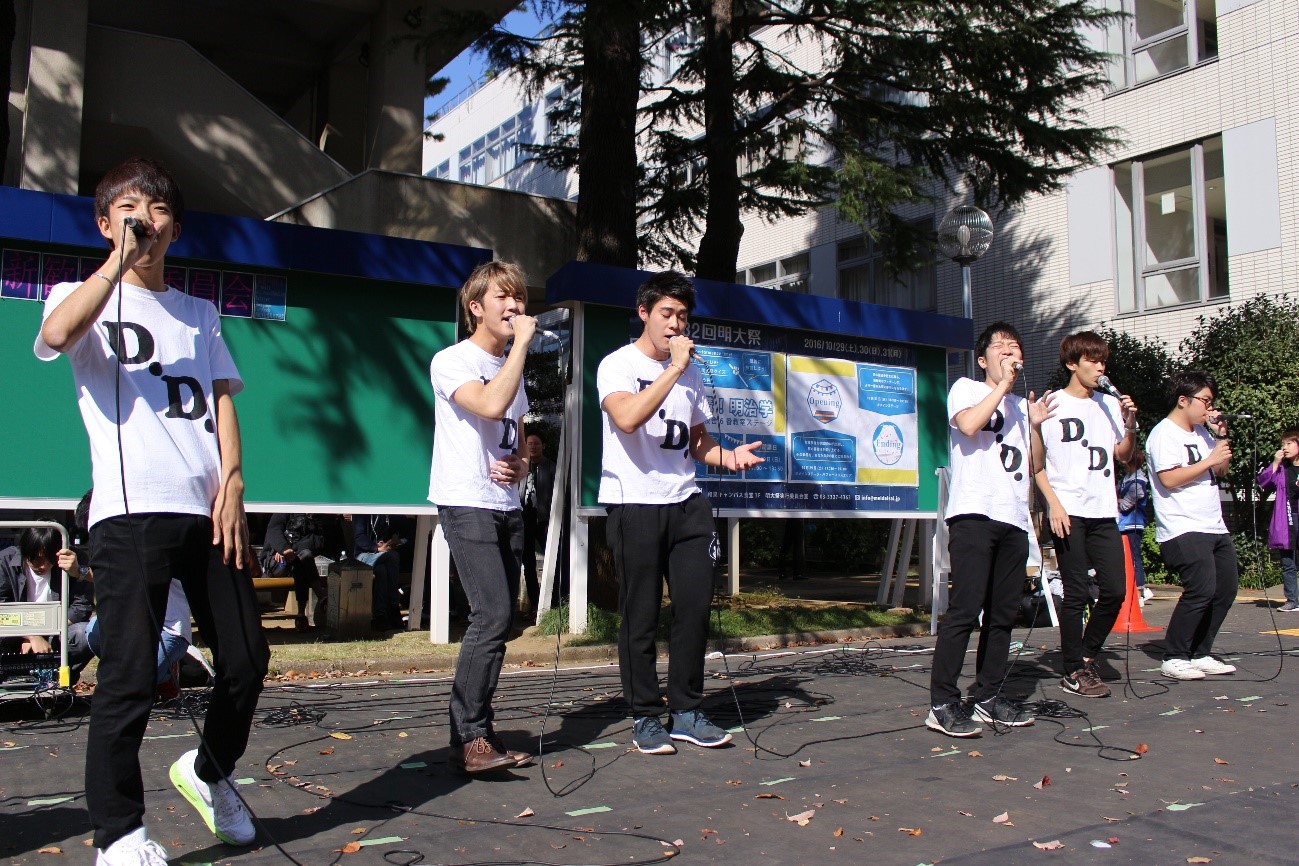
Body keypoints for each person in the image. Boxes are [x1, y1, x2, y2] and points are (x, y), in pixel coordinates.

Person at [34, 157, 269, 865]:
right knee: (131, 672)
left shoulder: (200, 313)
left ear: (176, 228)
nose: (147, 220)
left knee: (246, 658)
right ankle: (118, 834)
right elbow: (56, 337)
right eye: (130, 210)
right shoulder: (79, 295)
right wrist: (118, 263)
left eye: (160, 210)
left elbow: (221, 398)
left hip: (209, 509)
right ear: (105, 223)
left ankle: (208, 773)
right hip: (129, 511)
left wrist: (234, 481)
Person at [598, 271, 764, 755]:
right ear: (644, 313)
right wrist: (672, 369)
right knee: (641, 615)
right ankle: (646, 715)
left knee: (693, 610)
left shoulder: (689, 373)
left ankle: (687, 710)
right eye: (666, 314)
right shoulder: (618, 365)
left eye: (683, 317)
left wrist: (728, 457)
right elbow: (627, 418)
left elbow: (696, 441)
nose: (675, 325)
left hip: (686, 502)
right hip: (635, 502)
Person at [429, 260, 537, 773]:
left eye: (520, 297)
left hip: (506, 503)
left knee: (503, 619)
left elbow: (517, 436)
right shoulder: (452, 360)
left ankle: (479, 734)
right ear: (476, 307)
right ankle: (470, 736)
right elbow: (490, 405)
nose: (515, 306)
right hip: (466, 500)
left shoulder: (513, 366)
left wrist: (523, 464)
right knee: (490, 613)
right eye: (503, 297)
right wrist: (521, 346)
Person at [927, 322, 1055, 738]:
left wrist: (1034, 425)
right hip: (974, 514)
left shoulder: (1021, 405)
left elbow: (1034, 464)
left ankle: (988, 696)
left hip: (1013, 518)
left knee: (1003, 614)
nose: (1009, 351)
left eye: (1014, 346)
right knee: (966, 609)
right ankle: (942, 702)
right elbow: (969, 425)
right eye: (1001, 347)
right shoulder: (966, 388)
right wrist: (1002, 387)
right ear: (983, 360)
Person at [1033, 331, 1138, 698]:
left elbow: (1123, 455)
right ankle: (1073, 669)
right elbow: (1037, 464)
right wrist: (1053, 504)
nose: (1099, 367)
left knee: (1115, 590)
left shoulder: (1108, 404)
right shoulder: (1053, 404)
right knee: (1076, 592)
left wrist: (1130, 423)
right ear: (1071, 364)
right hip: (1068, 510)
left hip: (1103, 509)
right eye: (1092, 360)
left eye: (1103, 360)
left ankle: (1087, 653)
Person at [1146, 371, 1238, 680]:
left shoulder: (1203, 433)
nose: (1210, 408)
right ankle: (1174, 655)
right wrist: (1209, 460)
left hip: (1214, 524)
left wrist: (1221, 437)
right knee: (1200, 589)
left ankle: (1200, 651)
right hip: (1183, 525)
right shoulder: (1164, 433)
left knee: (1225, 589)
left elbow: (1220, 470)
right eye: (1205, 401)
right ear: (1183, 400)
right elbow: (1169, 479)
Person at [0, 527, 95, 682]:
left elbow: (81, 608)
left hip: (57, 634)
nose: (43, 566)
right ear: (25, 551)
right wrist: (31, 635)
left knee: (86, 632)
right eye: (37, 559)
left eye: (50, 559)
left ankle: (59, 679)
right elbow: (2, 609)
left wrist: (77, 571)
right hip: (13, 635)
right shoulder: (4, 561)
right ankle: (10, 678)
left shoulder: (74, 560)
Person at [1256, 429, 1299, 612]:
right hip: (1286, 519)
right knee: (1288, 563)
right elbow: (1263, 482)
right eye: (1283, 444)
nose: (1285, 447)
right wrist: (1275, 462)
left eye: (1289, 443)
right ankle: (1292, 600)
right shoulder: (1282, 469)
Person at [263, 513, 325, 631]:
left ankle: (301, 616)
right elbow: (274, 531)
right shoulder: (284, 509)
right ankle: (320, 598)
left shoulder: (315, 517)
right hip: (278, 563)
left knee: (304, 558)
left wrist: (292, 551)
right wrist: (283, 549)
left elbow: (316, 542)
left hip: (299, 562)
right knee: (304, 559)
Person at [349, 513, 406, 631]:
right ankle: (394, 606)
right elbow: (359, 537)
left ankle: (380, 616)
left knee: (381, 571)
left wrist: (390, 542)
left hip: (381, 557)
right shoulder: (360, 512)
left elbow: (395, 529)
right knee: (393, 556)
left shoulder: (386, 514)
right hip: (363, 555)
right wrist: (376, 548)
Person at [521, 433, 556, 613]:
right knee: (528, 564)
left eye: (536, 443)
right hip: (524, 519)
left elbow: (557, 497)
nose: (532, 447)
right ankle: (535, 605)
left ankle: (553, 602)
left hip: (544, 520)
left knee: (552, 560)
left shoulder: (551, 467)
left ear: (544, 445)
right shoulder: (522, 465)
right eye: (529, 443)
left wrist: (552, 520)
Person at [1117, 448, 1154, 605]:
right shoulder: (1126, 479)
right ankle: (1133, 590)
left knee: (1134, 557)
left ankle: (1139, 592)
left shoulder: (1138, 482)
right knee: (1126, 558)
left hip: (1132, 524)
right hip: (1123, 524)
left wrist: (1118, 500)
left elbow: (1125, 505)